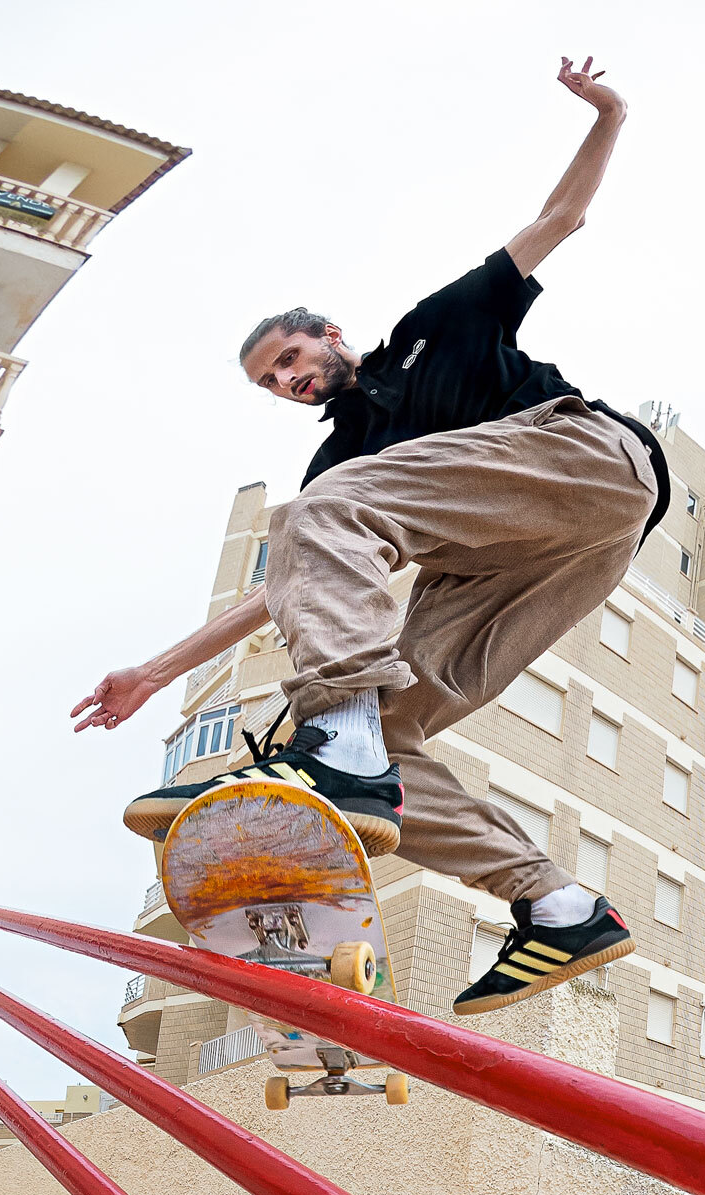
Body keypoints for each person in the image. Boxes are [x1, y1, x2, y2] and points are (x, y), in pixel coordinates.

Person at [71, 56, 664, 1015]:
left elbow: (558, 222)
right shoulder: (339, 465)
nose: (292, 382)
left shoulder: (439, 330)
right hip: (528, 561)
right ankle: (556, 905)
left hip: (584, 468)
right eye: (274, 382)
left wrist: (608, 113)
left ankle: (340, 755)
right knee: (379, 727)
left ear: (331, 335)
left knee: (325, 537)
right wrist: (152, 670)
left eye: (294, 358)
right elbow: (283, 589)